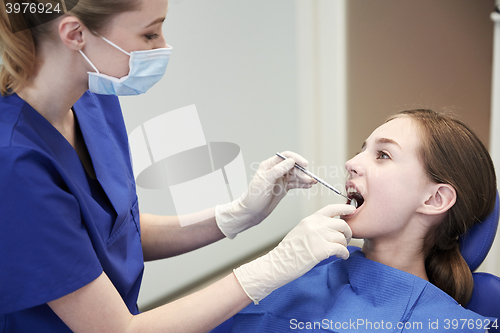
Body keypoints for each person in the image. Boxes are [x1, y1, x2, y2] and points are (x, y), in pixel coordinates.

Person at [0, 0, 357, 332]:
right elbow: (118, 329)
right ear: (75, 34)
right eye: (150, 33)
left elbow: (116, 231)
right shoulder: (16, 163)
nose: (162, 46)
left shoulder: (91, 100)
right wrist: (269, 268)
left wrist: (236, 215)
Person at [217, 109, 497, 332]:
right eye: (361, 149)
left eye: (383, 155)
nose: (351, 162)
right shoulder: (305, 266)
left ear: (434, 199)